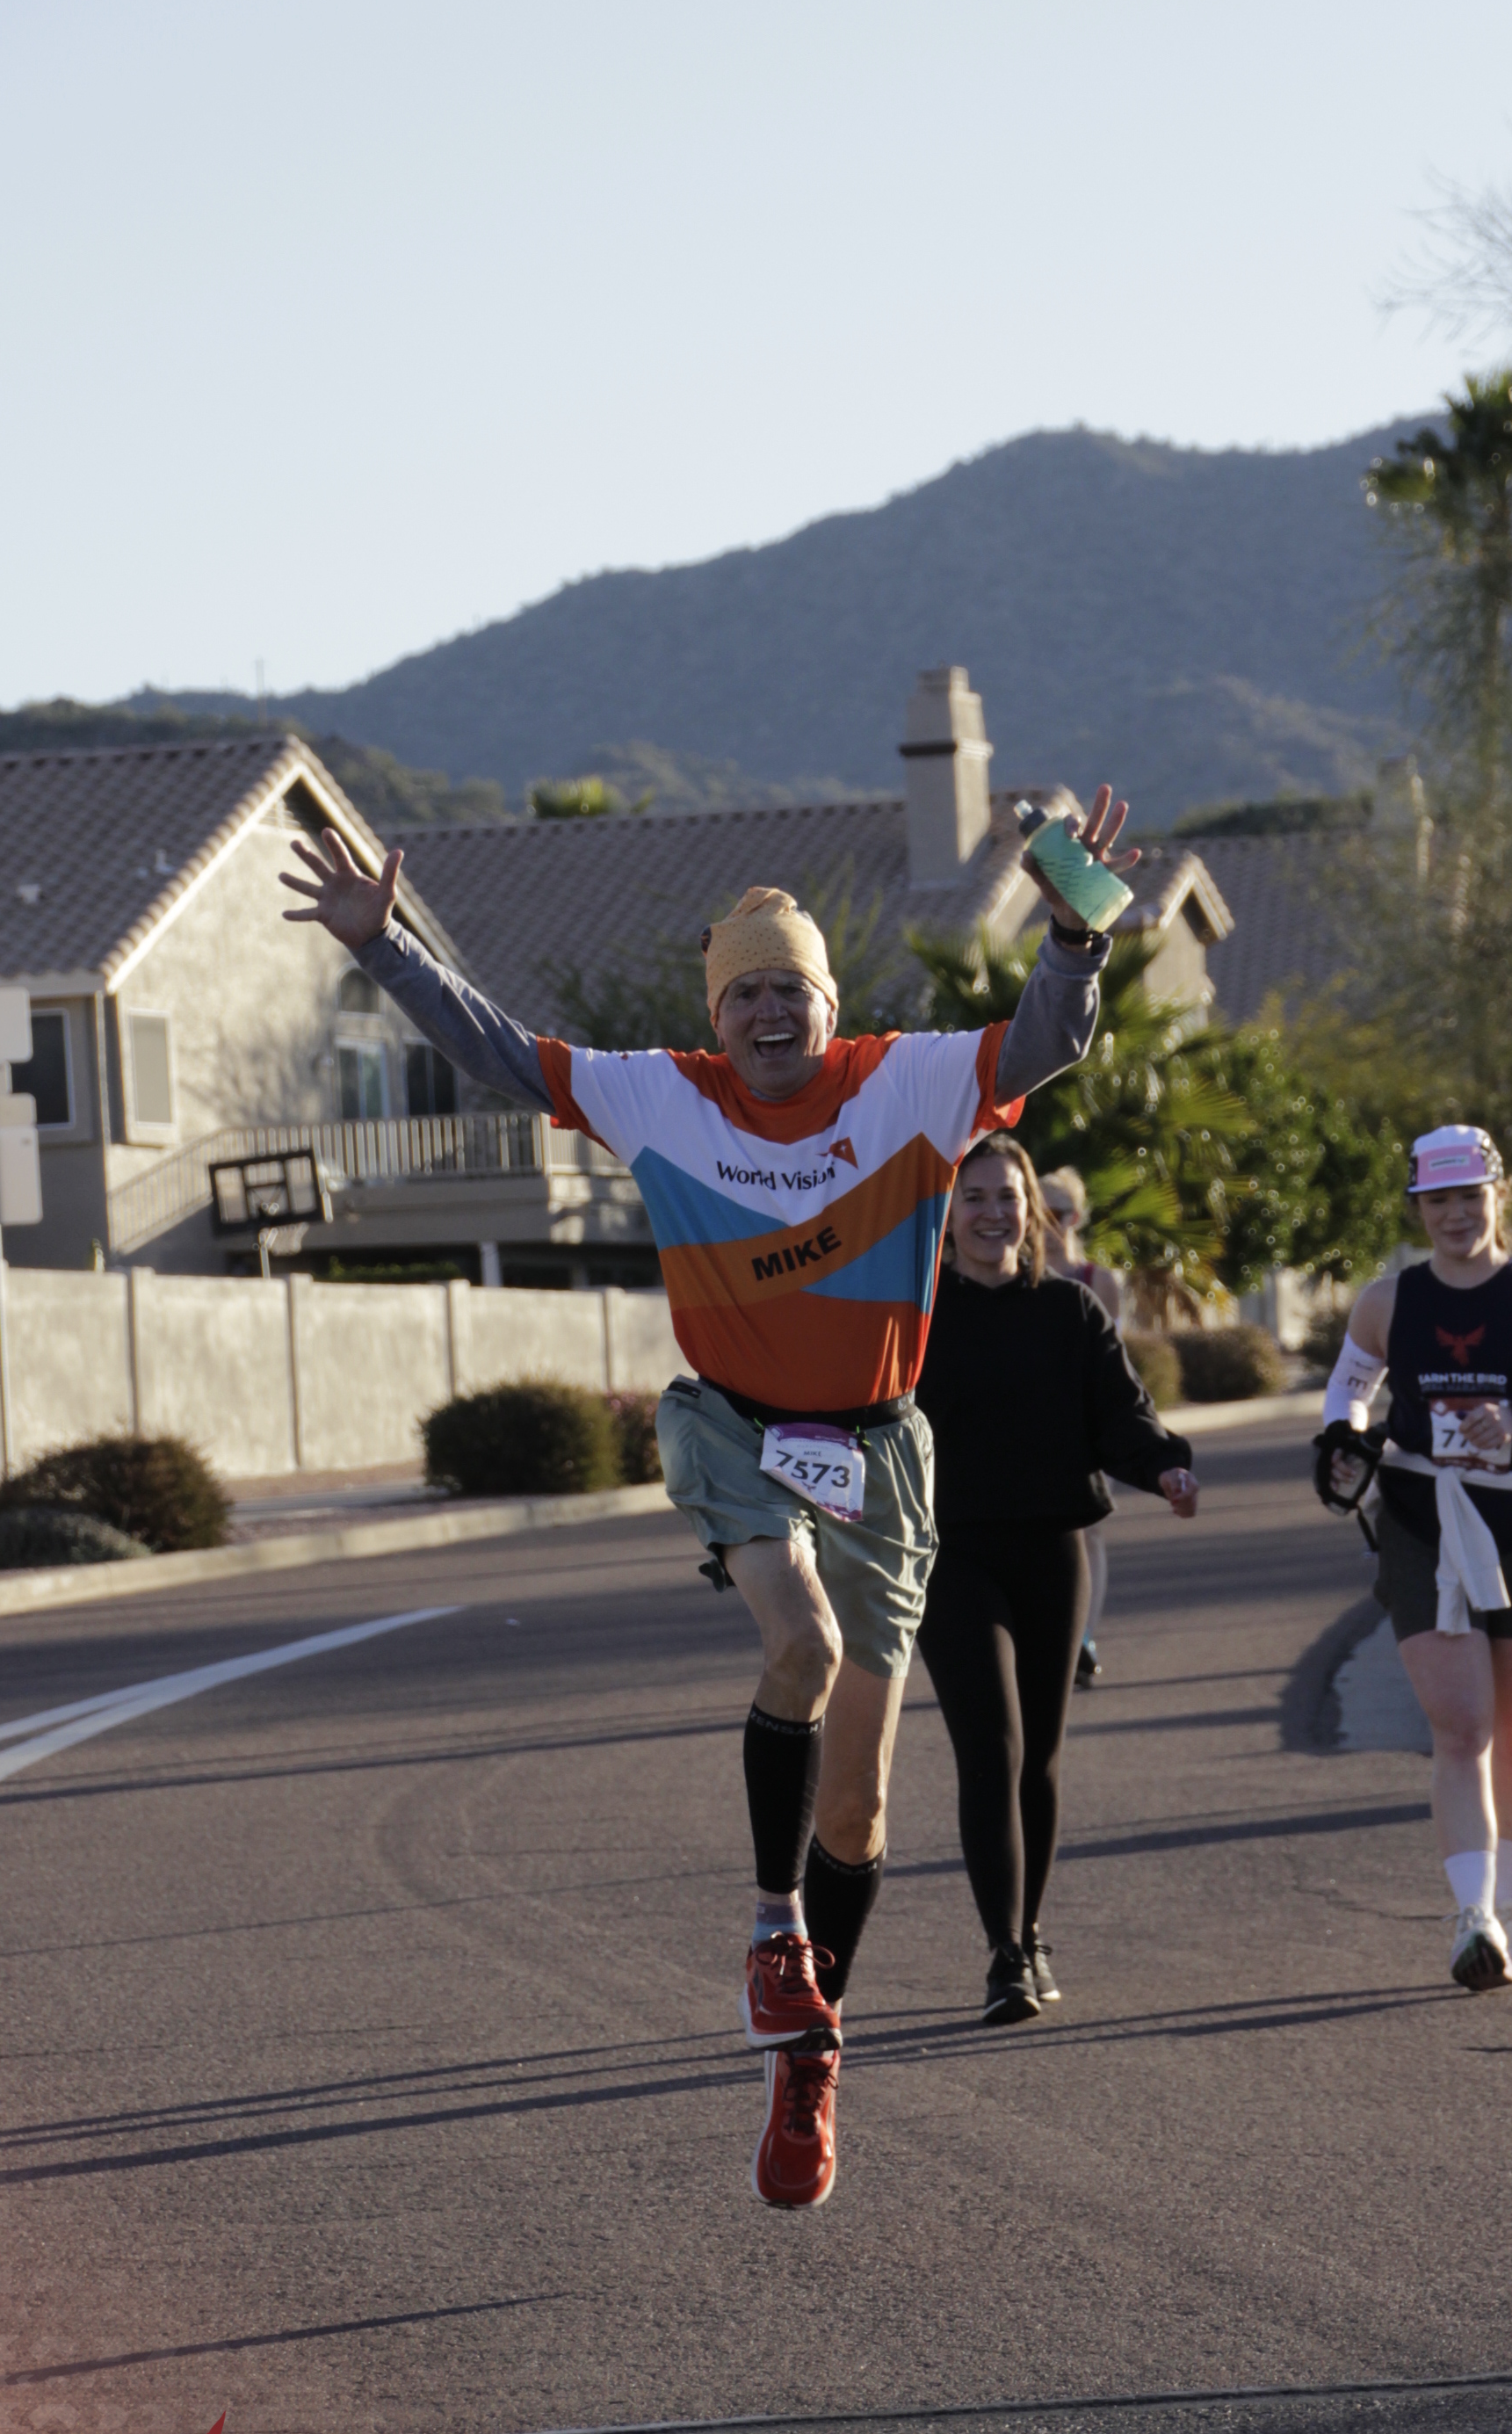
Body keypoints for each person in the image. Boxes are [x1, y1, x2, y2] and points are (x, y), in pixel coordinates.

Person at [280, 792, 1131, 2206]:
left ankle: (810, 2047)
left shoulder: (911, 1083)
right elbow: (499, 1052)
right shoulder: (661, 1095)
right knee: (797, 1644)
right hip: (737, 1428)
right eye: (743, 995)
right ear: (715, 1017)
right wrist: (385, 947)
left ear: (828, 1005)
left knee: (860, 1805)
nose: (767, 1013)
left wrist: (1074, 939)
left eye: (790, 990)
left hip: (881, 1451)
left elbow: (1046, 1040)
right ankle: (769, 1924)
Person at [1314, 1124, 1512, 1993]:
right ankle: (1472, 1918)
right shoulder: (1387, 1301)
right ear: (1419, 1206)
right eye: (1438, 1199)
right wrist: (1344, 1439)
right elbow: (1348, 1386)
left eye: (1470, 1197)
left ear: (1500, 1196)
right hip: (1424, 1522)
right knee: (1460, 1728)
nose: (1455, 1214)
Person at [915, 1134, 1197, 2023]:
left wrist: (1165, 1468)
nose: (992, 1213)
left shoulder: (1068, 1311)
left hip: (1050, 1549)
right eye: (974, 1197)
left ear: (1031, 1209)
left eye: (1008, 1196)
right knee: (990, 1750)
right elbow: (868, 1419)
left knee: (1038, 1757)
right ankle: (1004, 1956)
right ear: (947, 1216)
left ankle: (1032, 1932)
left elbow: (1121, 1414)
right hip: (952, 1557)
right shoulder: (916, 1316)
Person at [1038, 1166, 1122, 1685]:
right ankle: (1046, 1637)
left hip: (1085, 1420)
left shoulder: (1098, 1281)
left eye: (1060, 1213)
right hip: (1029, 1425)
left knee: (1089, 1530)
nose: (1050, 1224)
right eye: (1041, 1211)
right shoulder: (1015, 1274)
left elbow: (1113, 1362)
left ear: (1076, 1217)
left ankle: (1083, 1638)